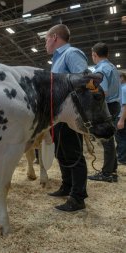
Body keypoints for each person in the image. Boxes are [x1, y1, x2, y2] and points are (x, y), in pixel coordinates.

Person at [45, 24, 88, 211]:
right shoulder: (58, 58)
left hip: (70, 114)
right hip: (58, 115)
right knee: (61, 152)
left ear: (54, 37)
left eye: (46, 38)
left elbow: (84, 82)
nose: (45, 43)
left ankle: (78, 198)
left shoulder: (71, 53)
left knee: (74, 153)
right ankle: (67, 186)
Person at [88, 42, 120, 183]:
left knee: (106, 140)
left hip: (107, 106)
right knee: (110, 140)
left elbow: (103, 92)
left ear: (95, 55)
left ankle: (106, 174)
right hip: (115, 105)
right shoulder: (112, 67)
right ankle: (112, 170)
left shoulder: (100, 70)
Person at [115, 72, 126, 165]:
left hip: (122, 116)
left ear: (122, 78)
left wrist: (121, 120)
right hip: (123, 115)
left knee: (121, 138)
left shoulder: (123, 88)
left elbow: (124, 105)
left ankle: (122, 158)